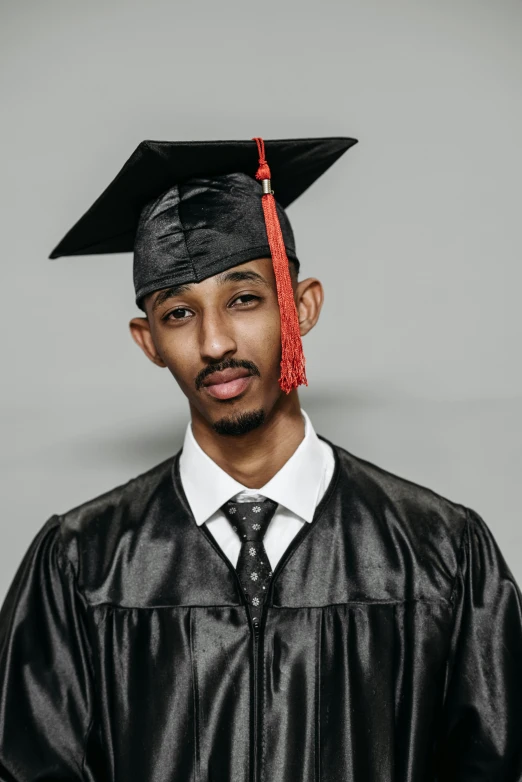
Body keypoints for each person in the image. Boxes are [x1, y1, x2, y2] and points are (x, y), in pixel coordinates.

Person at [0, 135, 521, 782]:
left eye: (244, 299)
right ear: (149, 341)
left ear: (301, 308)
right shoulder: (83, 566)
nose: (215, 341)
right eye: (179, 312)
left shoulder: (440, 554)